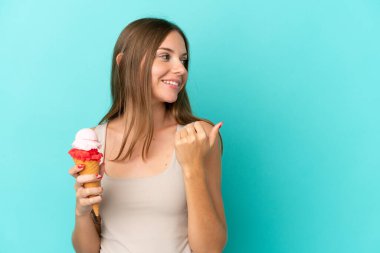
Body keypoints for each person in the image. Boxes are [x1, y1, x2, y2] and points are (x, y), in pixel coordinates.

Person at [68, 17, 227, 253]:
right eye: (165, 56)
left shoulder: (197, 136)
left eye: (184, 60)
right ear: (124, 63)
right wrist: (82, 211)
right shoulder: (94, 142)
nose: (181, 69)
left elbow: (210, 249)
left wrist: (192, 167)